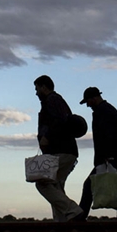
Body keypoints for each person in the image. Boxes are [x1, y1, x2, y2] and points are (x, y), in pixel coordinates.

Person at [73, 87, 117, 221]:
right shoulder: (107, 109)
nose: (88, 105)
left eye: (88, 101)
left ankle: (79, 219)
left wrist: (107, 157)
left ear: (94, 98)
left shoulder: (102, 111)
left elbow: (107, 136)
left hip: (112, 157)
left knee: (89, 185)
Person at [33, 75, 83, 222]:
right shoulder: (57, 101)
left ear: (44, 87)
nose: (36, 93)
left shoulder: (52, 100)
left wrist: (46, 136)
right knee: (56, 186)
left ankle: (73, 210)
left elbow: (59, 121)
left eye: (37, 89)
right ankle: (61, 222)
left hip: (60, 150)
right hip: (68, 151)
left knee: (42, 183)